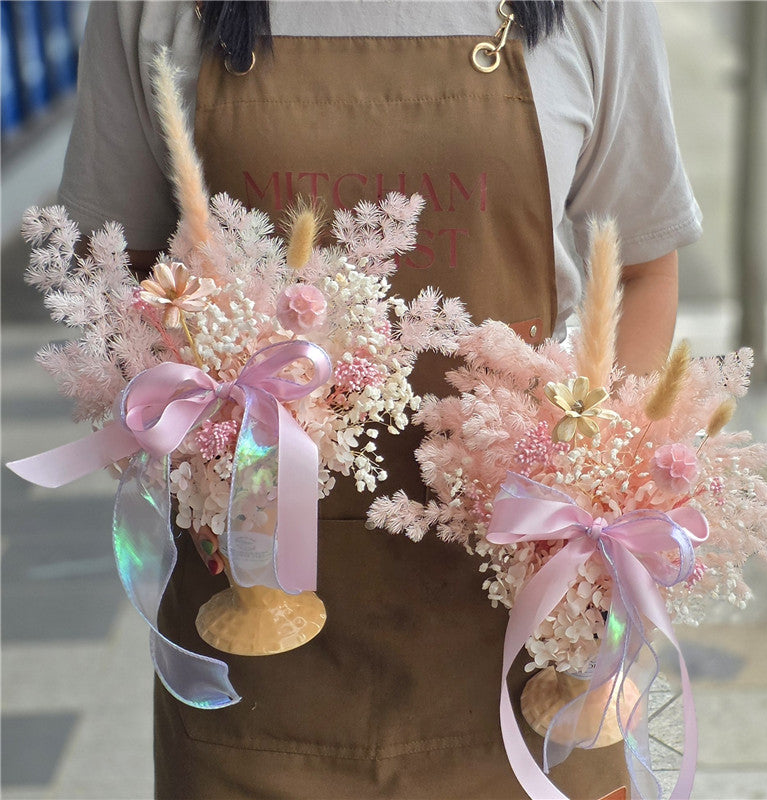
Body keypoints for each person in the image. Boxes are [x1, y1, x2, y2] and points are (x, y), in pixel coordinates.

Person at [58, 2, 702, 798]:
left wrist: (597, 471)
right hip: (257, 630)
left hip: (532, 638)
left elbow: (643, 268)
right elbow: (124, 268)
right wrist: (214, 417)